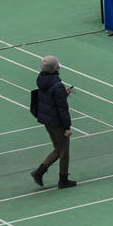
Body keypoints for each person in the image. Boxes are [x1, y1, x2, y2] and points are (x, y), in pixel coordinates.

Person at [30, 55, 76, 189]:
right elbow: (62, 109)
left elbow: (51, 99)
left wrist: (63, 93)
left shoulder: (42, 80)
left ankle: (39, 172)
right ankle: (63, 180)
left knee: (58, 148)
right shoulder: (57, 85)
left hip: (47, 120)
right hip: (57, 123)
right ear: (55, 68)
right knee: (64, 152)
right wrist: (67, 127)